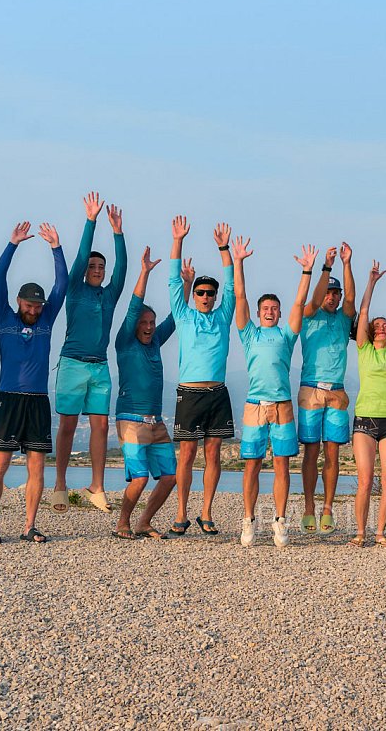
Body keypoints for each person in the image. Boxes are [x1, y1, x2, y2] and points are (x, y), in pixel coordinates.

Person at [0, 222, 67, 543]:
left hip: (37, 401)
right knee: (0, 464)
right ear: (19, 302)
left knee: (37, 467)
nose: (33, 310)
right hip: (8, 399)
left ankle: (29, 526)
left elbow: (62, 284)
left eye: (37, 306)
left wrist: (56, 248)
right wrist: (12, 244)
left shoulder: (46, 320)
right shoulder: (4, 319)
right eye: (29, 305)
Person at [231, 238, 312, 547]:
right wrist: (238, 263)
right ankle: (248, 520)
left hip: (282, 407)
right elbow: (240, 296)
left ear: (278, 314)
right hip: (255, 405)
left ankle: (280, 521)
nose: (269, 311)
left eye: (273, 308)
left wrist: (306, 272)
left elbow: (298, 305)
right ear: (259, 312)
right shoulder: (249, 333)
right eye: (265, 308)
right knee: (252, 465)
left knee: (282, 464)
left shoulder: (285, 334)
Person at [51, 193, 127, 513]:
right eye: (92, 266)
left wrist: (118, 233)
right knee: (68, 425)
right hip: (71, 364)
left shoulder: (110, 295)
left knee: (101, 426)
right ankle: (59, 484)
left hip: (99, 368)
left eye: (100, 267)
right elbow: (81, 255)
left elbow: (122, 269)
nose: (96, 269)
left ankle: (97, 486)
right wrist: (91, 221)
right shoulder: (75, 288)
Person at [167, 216, 236, 536]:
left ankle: (206, 513)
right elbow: (171, 282)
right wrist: (178, 240)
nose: (206, 296)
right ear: (194, 295)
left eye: (211, 292)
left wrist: (224, 248)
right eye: (201, 292)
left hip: (217, 393)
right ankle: (181, 513)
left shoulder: (223, 316)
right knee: (187, 454)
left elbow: (232, 283)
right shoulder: (184, 316)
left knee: (213, 455)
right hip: (190, 393)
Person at [111, 247, 178, 540]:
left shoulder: (155, 341)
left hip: (156, 422)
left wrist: (186, 285)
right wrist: (145, 272)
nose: (150, 327)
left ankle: (144, 522)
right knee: (139, 477)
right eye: (144, 323)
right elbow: (133, 306)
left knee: (170, 476)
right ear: (135, 325)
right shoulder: (126, 341)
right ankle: (122, 523)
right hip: (131, 419)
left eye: (152, 323)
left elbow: (176, 318)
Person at [296, 243, 356, 534]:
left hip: (338, 391)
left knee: (333, 453)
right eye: (329, 293)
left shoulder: (344, 320)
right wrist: (327, 266)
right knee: (311, 451)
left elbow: (352, 300)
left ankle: (328, 509)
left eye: (336, 293)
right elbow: (314, 298)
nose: (331, 298)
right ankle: (309, 508)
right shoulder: (309, 315)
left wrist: (347, 264)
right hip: (310, 389)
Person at [351, 257, 386, 547]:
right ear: (372, 332)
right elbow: (363, 313)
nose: (384, 326)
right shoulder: (364, 350)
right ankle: (360, 533)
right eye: (379, 325)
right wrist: (371, 282)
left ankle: (380, 532)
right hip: (364, 420)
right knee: (365, 481)